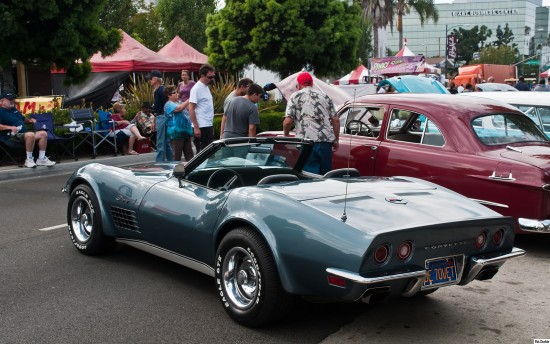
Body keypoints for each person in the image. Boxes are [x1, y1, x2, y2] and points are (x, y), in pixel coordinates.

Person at [283, 72, 339, 175]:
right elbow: (335, 120)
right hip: (326, 142)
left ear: (298, 85)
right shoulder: (324, 96)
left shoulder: (295, 96)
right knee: (326, 176)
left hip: (307, 142)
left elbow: (288, 121)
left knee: (310, 177)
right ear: (312, 83)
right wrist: (336, 140)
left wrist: (286, 135)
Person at [0, 92, 56, 168]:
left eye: (13, 99)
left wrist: (30, 120)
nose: (12, 101)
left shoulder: (14, 110)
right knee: (30, 134)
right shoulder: (1, 111)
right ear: (2, 101)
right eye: (10, 99)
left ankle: (41, 159)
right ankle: (29, 159)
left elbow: (23, 119)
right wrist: (9, 128)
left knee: (43, 134)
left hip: (23, 135)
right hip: (10, 137)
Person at [189, 64, 215, 153]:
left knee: (209, 153)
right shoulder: (196, 88)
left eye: (213, 76)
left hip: (207, 125)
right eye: (210, 77)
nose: (212, 79)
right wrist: (196, 127)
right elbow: (191, 108)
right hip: (201, 125)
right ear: (202, 76)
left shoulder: (206, 87)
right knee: (203, 153)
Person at [163, 85, 194, 162]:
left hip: (186, 132)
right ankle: (174, 172)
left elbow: (189, 108)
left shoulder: (179, 102)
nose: (177, 94)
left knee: (190, 155)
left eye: (176, 92)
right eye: (174, 92)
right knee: (176, 156)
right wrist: (190, 99)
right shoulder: (168, 105)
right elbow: (179, 108)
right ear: (168, 95)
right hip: (176, 134)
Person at [149, 70, 173, 162]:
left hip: (162, 117)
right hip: (162, 117)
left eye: (151, 79)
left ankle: (160, 163)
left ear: (155, 79)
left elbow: (164, 106)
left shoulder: (160, 91)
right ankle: (171, 161)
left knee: (160, 142)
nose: (150, 81)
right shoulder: (160, 90)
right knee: (166, 142)